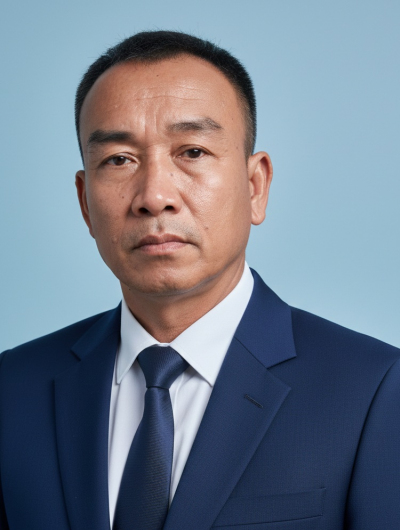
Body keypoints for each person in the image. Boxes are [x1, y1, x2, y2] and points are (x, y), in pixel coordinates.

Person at [0, 30, 399, 530]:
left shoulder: (375, 390)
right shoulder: (12, 388)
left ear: (255, 186)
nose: (154, 196)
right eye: (119, 159)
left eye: (191, 151)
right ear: (84, 202)